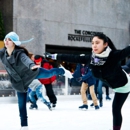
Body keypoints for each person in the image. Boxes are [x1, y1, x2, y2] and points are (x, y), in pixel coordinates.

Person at [45, 33, 130, 130]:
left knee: (116, 109)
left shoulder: (114, 56)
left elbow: (127, 50)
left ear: (105, 44)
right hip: (112, 77)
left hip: (123, 86)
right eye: (93, 43)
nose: (94, 45)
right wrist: (54, 56)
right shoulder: (91, 58)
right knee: (122, 69)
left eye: (97, 43)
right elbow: (73, 58)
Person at [0, 32, 72, 130]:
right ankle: (24, 126)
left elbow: (25, 59)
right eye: (6, 39)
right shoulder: (2, 53)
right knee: (21, 105)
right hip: (19, 81)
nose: (6, 41)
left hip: (31, 72)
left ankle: (62, 70)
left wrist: (31, 65)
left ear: (14, 42)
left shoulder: (19, 53)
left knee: (49, 73)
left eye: (9, 39)